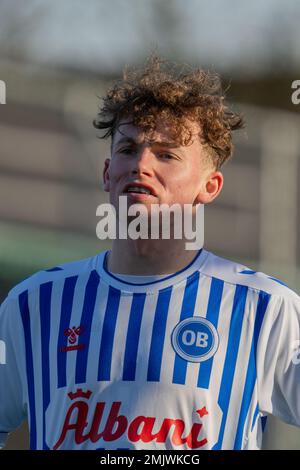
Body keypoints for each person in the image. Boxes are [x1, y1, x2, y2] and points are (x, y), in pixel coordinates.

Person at [0, 56, 299, 451]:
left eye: (166, 154)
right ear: (108, 173)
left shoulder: (264, 308)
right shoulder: (32, 305)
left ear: (210, 186)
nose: (140, 164)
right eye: (128, 148)